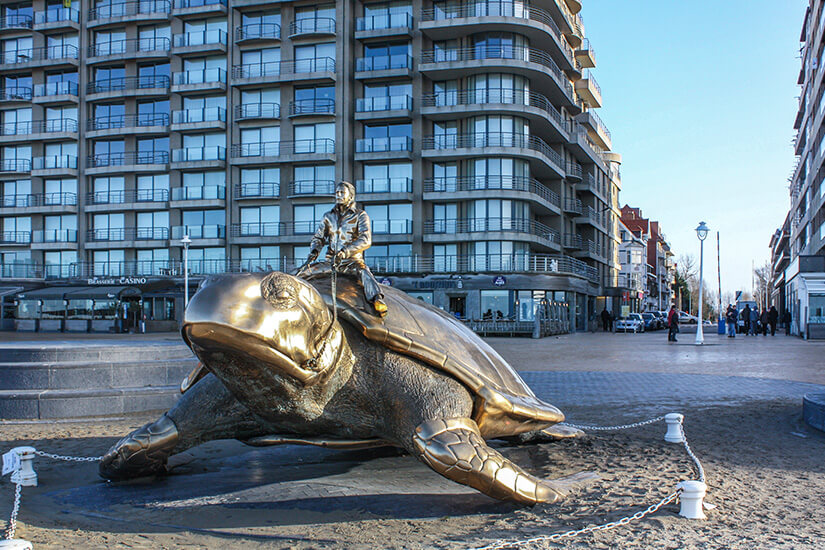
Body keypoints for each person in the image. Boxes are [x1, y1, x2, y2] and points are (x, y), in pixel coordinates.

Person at [297, 181, 387, 316]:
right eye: (337, 193)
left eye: (342, 193)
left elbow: (366, 239)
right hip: (331, 263)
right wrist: (315, 250)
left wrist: (345, 252)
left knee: (365, 273)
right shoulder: (328, 217)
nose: (338, 195)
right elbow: (319, 237)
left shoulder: (360, 215)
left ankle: (377, 300)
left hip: (352, 262)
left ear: (350, 196)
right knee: (301, 272)